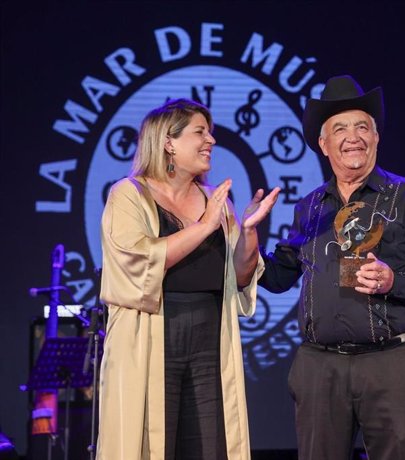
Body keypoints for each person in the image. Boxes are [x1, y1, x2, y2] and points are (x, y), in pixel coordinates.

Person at [259, 75, 405, 459]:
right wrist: (247, 238)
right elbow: (281, 274)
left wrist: (393, 280)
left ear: (376, 137)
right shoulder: (311, 206)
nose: (353, 137)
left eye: (362, 127)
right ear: (323, 144)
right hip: (321, 368)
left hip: (391, 365)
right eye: (340, 128)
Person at [97, 98, 280, 460]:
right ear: (168, 142)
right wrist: (205, 226)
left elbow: (239, 278)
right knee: (150, 445)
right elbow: (139, 260)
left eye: (209, 132)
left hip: (209, 340)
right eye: (200, 132)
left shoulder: (215, 201)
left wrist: (249, 231)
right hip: (151, 337)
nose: (211, 140)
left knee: (212, 444)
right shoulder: (129, 195)